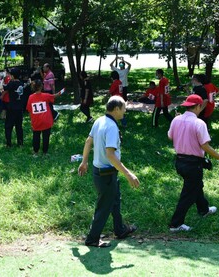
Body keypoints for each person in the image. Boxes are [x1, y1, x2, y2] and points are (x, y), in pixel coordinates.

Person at [77, 96, 139, 247]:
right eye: (124, 108)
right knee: (104, 206)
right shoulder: (111, 127)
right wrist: (128, 174)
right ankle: (92, 239)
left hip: (101, 173)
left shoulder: (99, 120)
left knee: (115, 200)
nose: (125, 111)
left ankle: (120, 230)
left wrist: (84, 162)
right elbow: (110, 154)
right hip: (106, 175)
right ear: (116, 109)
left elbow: (88, 141)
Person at [168, 95, 219, 232]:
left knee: (196, 186)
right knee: (188, 194)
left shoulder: (176, 120)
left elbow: (170, 136)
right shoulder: (199, 123)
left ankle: (203, 209)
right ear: (198, 106)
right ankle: (176, 224)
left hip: (180, 162)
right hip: (193, 164)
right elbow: (206, 147)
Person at [26, 80, 63, 156]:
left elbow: (29, 109)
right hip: (46, 120)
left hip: (36, 121)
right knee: (46, 137)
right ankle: (45, 152)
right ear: (41, 87)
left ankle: (35, 152)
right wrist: (61, 92)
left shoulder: (30, 97)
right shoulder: (45, 95)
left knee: (36, 136)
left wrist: (31, 120)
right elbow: (54, 96)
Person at [4, 69, 24, 147]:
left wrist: (2, 80)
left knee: (8, 126)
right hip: (20, 108)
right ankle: (20, 143)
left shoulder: (11, 83)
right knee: (19, 126)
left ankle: (9, 143)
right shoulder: (21, 84)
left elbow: (4, 88)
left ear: (12, 76)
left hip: (12, 108)